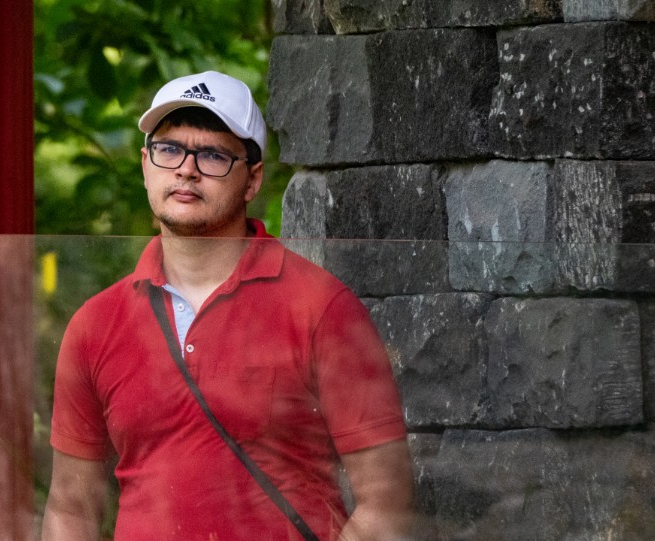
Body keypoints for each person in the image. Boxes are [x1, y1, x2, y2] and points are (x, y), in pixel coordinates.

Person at [41, 70, 413, 541]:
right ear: (145, 164)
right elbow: (70, 510)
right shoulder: (95, 324)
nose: (186, 169)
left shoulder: (321, 307)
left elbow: (387, 504)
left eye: (213, 155)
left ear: (252, 180)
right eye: (169, 149)